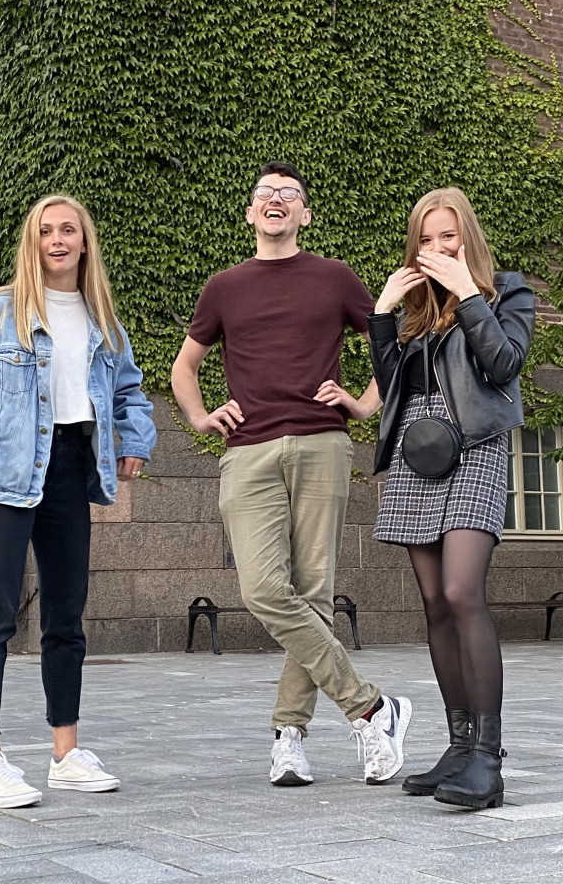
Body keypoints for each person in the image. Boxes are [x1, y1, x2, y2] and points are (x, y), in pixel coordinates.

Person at [0, 194, 156, 808]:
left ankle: (65, 753)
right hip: (6, 475)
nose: (57, 239)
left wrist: (136, 441)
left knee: (66, 617)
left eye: (68, 229)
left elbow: (128, 390)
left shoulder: (102, 320)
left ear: (84, 240)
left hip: (73, 467)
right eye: (46, 230)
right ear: (33, 241)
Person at [171, 161, 412, 787]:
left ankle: (289, 737)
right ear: (251, 214)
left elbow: (392, 343)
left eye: (289, 195)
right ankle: (370, 707)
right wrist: (200, 417)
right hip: (248, 450)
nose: (275, 201)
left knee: (314, 592)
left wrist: (362, 404)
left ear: (304, 214)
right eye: (264, 195)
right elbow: (185, 366)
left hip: (322, 444)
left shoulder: (334, 278)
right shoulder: (224, 286)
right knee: (263, 591)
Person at [367, 187, 534, 810]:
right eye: (426, 239)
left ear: (467, 238)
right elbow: (391, 389)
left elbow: (503, 364)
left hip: (476, 445)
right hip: (419, 450)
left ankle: (487, 760)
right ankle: (459, 746)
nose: (435, 249)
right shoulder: (415, 313)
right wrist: (382, 315)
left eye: (447, 237)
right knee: (436, 602)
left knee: (463, 593)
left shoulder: (506, 292)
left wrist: (467, 292)